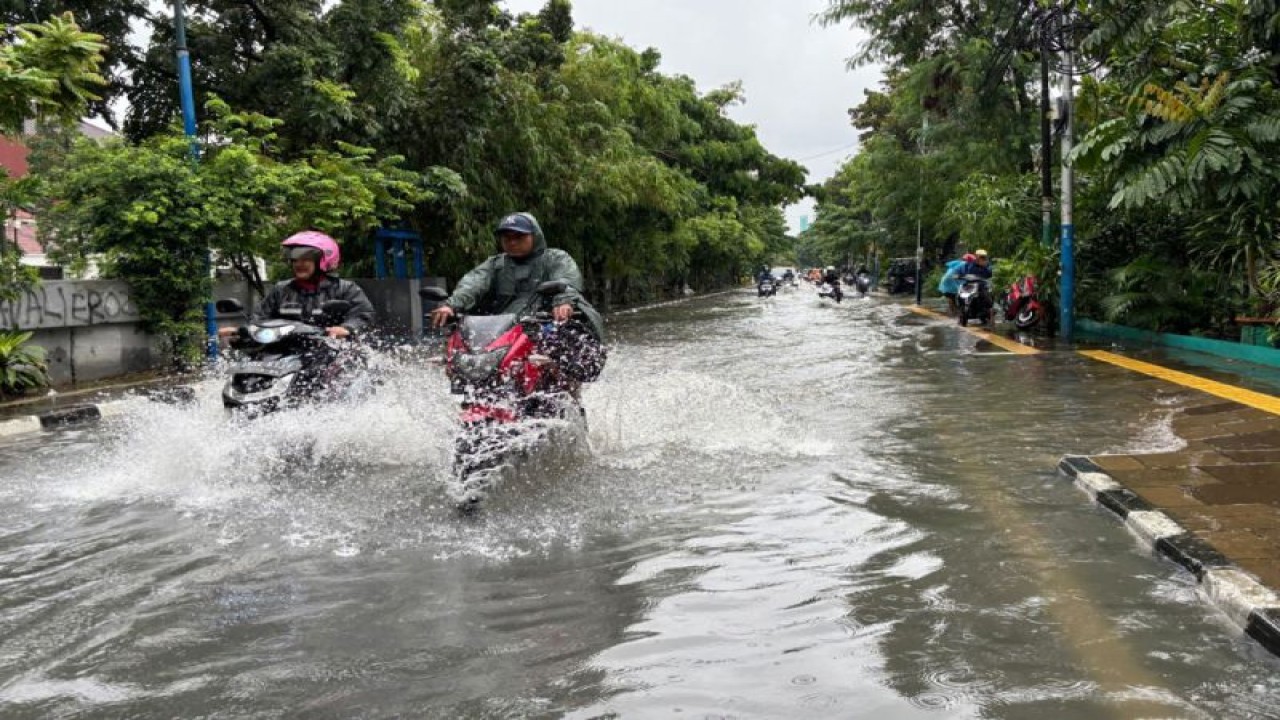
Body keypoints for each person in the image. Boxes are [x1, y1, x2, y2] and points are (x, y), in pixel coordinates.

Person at [431, 212, 606, 384]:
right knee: (461, 354)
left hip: (542, 324)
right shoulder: (495, 264)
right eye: (507, 238)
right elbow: (473, 283)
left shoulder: (555, 258)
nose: (512, 242)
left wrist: (562, 301)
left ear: (534, 236)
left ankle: (562, 387)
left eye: (519, 237)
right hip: (503, 330)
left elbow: (566, 280)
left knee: (562, 345)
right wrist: (452, 305)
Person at [219, 230, 375, 340]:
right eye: (295, 260)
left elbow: (363, 315)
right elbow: (260, 317)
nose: (299, 264)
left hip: (332, 351)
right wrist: (241, 331)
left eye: (306, 259)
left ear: (323, 261)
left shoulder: (345, 288)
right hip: (286, 350)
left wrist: (347, 328)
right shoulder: (282, 289)